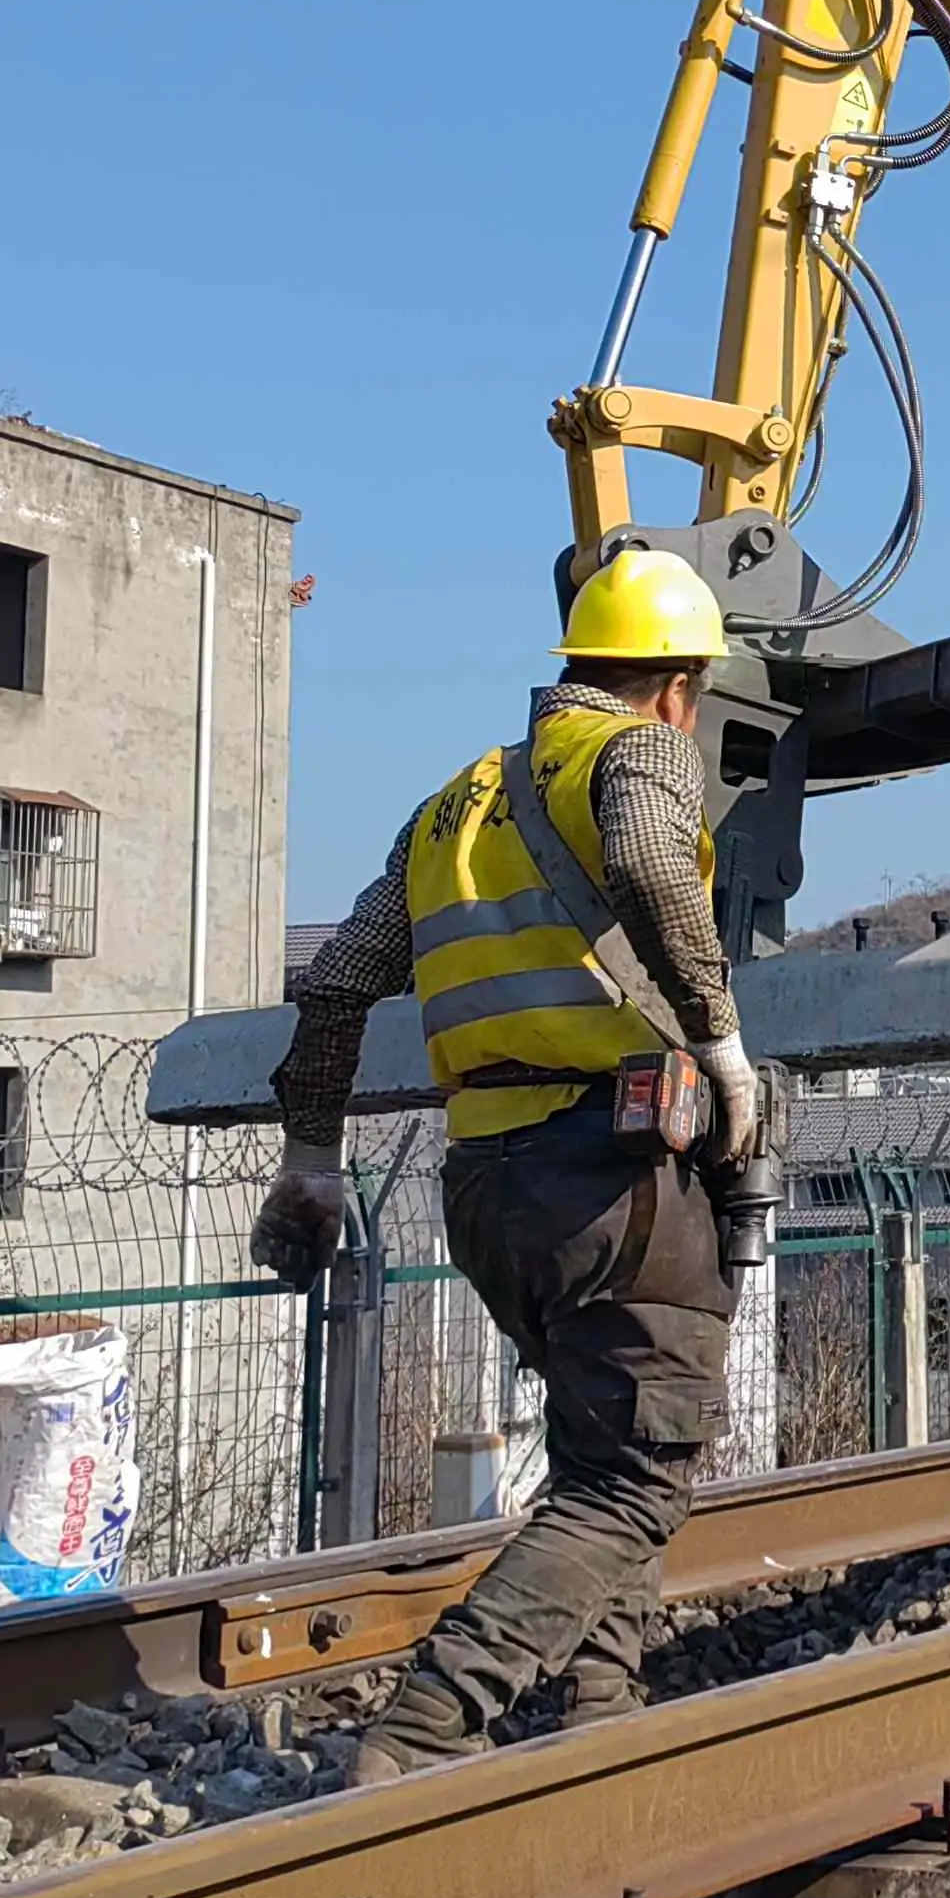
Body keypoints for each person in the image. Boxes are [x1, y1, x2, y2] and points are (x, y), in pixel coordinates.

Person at [250, 548, 763, 1782]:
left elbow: (335, 981)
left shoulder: (452, 806)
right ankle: (432, 1718)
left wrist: (311, 1161)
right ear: (677, 686)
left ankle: (601, 1709)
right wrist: (723, 1042)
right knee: (643, 1472)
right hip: (612, 1175)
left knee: (597, 1454)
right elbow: (647, 858)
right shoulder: (636, 752)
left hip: (486, 1182)